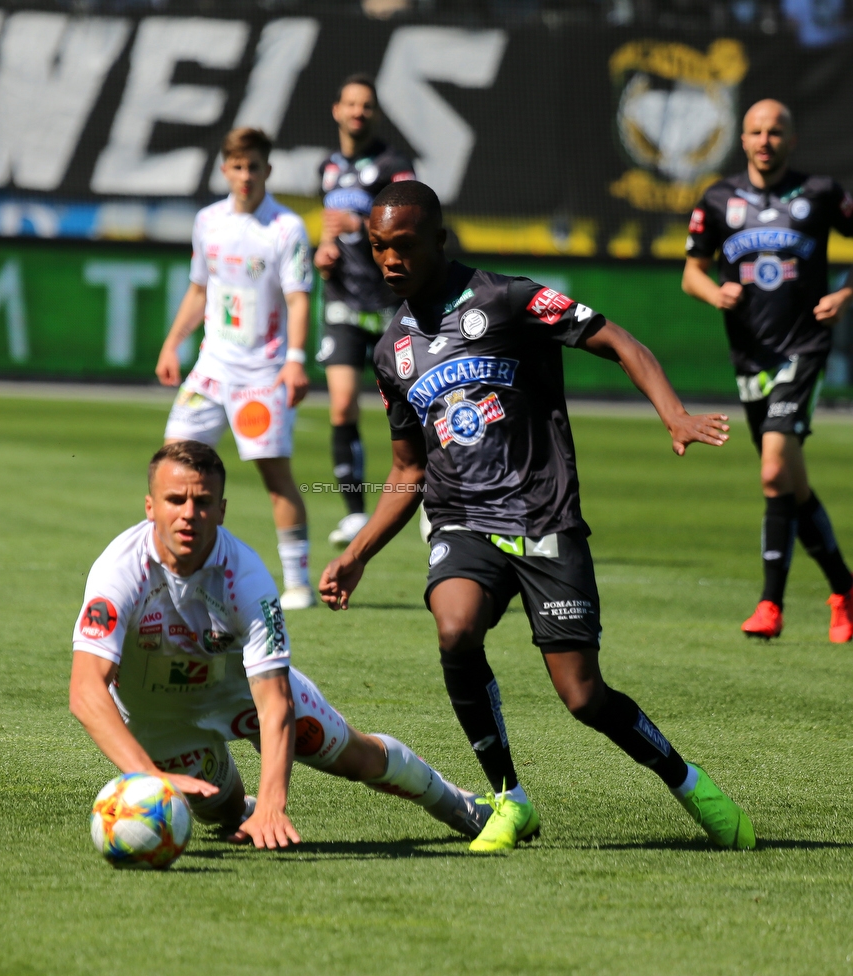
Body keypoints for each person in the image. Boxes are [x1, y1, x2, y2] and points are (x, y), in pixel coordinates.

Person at [319, 180, 756, 853]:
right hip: (461, 519)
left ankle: (687, 779)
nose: (389, 261)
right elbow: (408, 470)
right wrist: (358, 555)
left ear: (439, 241)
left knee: (583, 698)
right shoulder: (391, 351)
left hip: (543, 516)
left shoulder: (509, 298)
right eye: (379, 249)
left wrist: (674, 413)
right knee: (456, 626)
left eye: (403, 246)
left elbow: (617, 339)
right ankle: (509, 798)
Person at [69, 441, 490, 850]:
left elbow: (273, 701)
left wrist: (274, 803)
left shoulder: (245, 577)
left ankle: (460, 805)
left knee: (353, 757)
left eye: (202, 502)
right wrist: (147, 778)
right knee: (220, 810)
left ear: (221, 509)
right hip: (160, 719)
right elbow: (87, 691)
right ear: (150, 507)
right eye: (175, 500)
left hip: (241, 698)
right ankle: (238, 806)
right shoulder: (119, 570)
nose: (188, 514)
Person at [683, 99, 853, 642]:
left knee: (775, 468)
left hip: (803, 348)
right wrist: (716, 292)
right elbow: (693, 272)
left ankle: (769, 605)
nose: (765, 140)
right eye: (756, 131)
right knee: (791, 485)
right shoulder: (717, 197)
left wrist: (845, 293)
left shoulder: (822, 193)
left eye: (776, 131)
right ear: (742, 138)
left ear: (792, 139)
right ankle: (844, 589)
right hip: (750, 359)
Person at [155, 127, 315, 611]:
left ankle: (298, 582)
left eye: (254, 167)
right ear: (225, 169)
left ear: (268, 170)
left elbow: (298, 299)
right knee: (173, 463)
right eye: (237, 167)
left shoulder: (286, 228)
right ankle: (169, 568)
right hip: (211, 369)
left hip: (261, 376)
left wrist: (295, 361)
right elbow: (200, 290)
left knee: (274, 475)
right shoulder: (208, 221)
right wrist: (172, 344)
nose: (246, 176)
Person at [314, 74, 415, 547]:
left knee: (414, 408)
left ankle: (435, 501)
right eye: (350, 103)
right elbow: (329, 230)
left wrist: (364, 223)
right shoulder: (327, 168)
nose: (358, 112)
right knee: (341, 405)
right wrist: (325, 250)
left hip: (391, 304)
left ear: (374, 113)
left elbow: (413, 223)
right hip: (342, 301)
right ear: (336, 110)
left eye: (366, 105)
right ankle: (355, 513)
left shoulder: (395, 165)